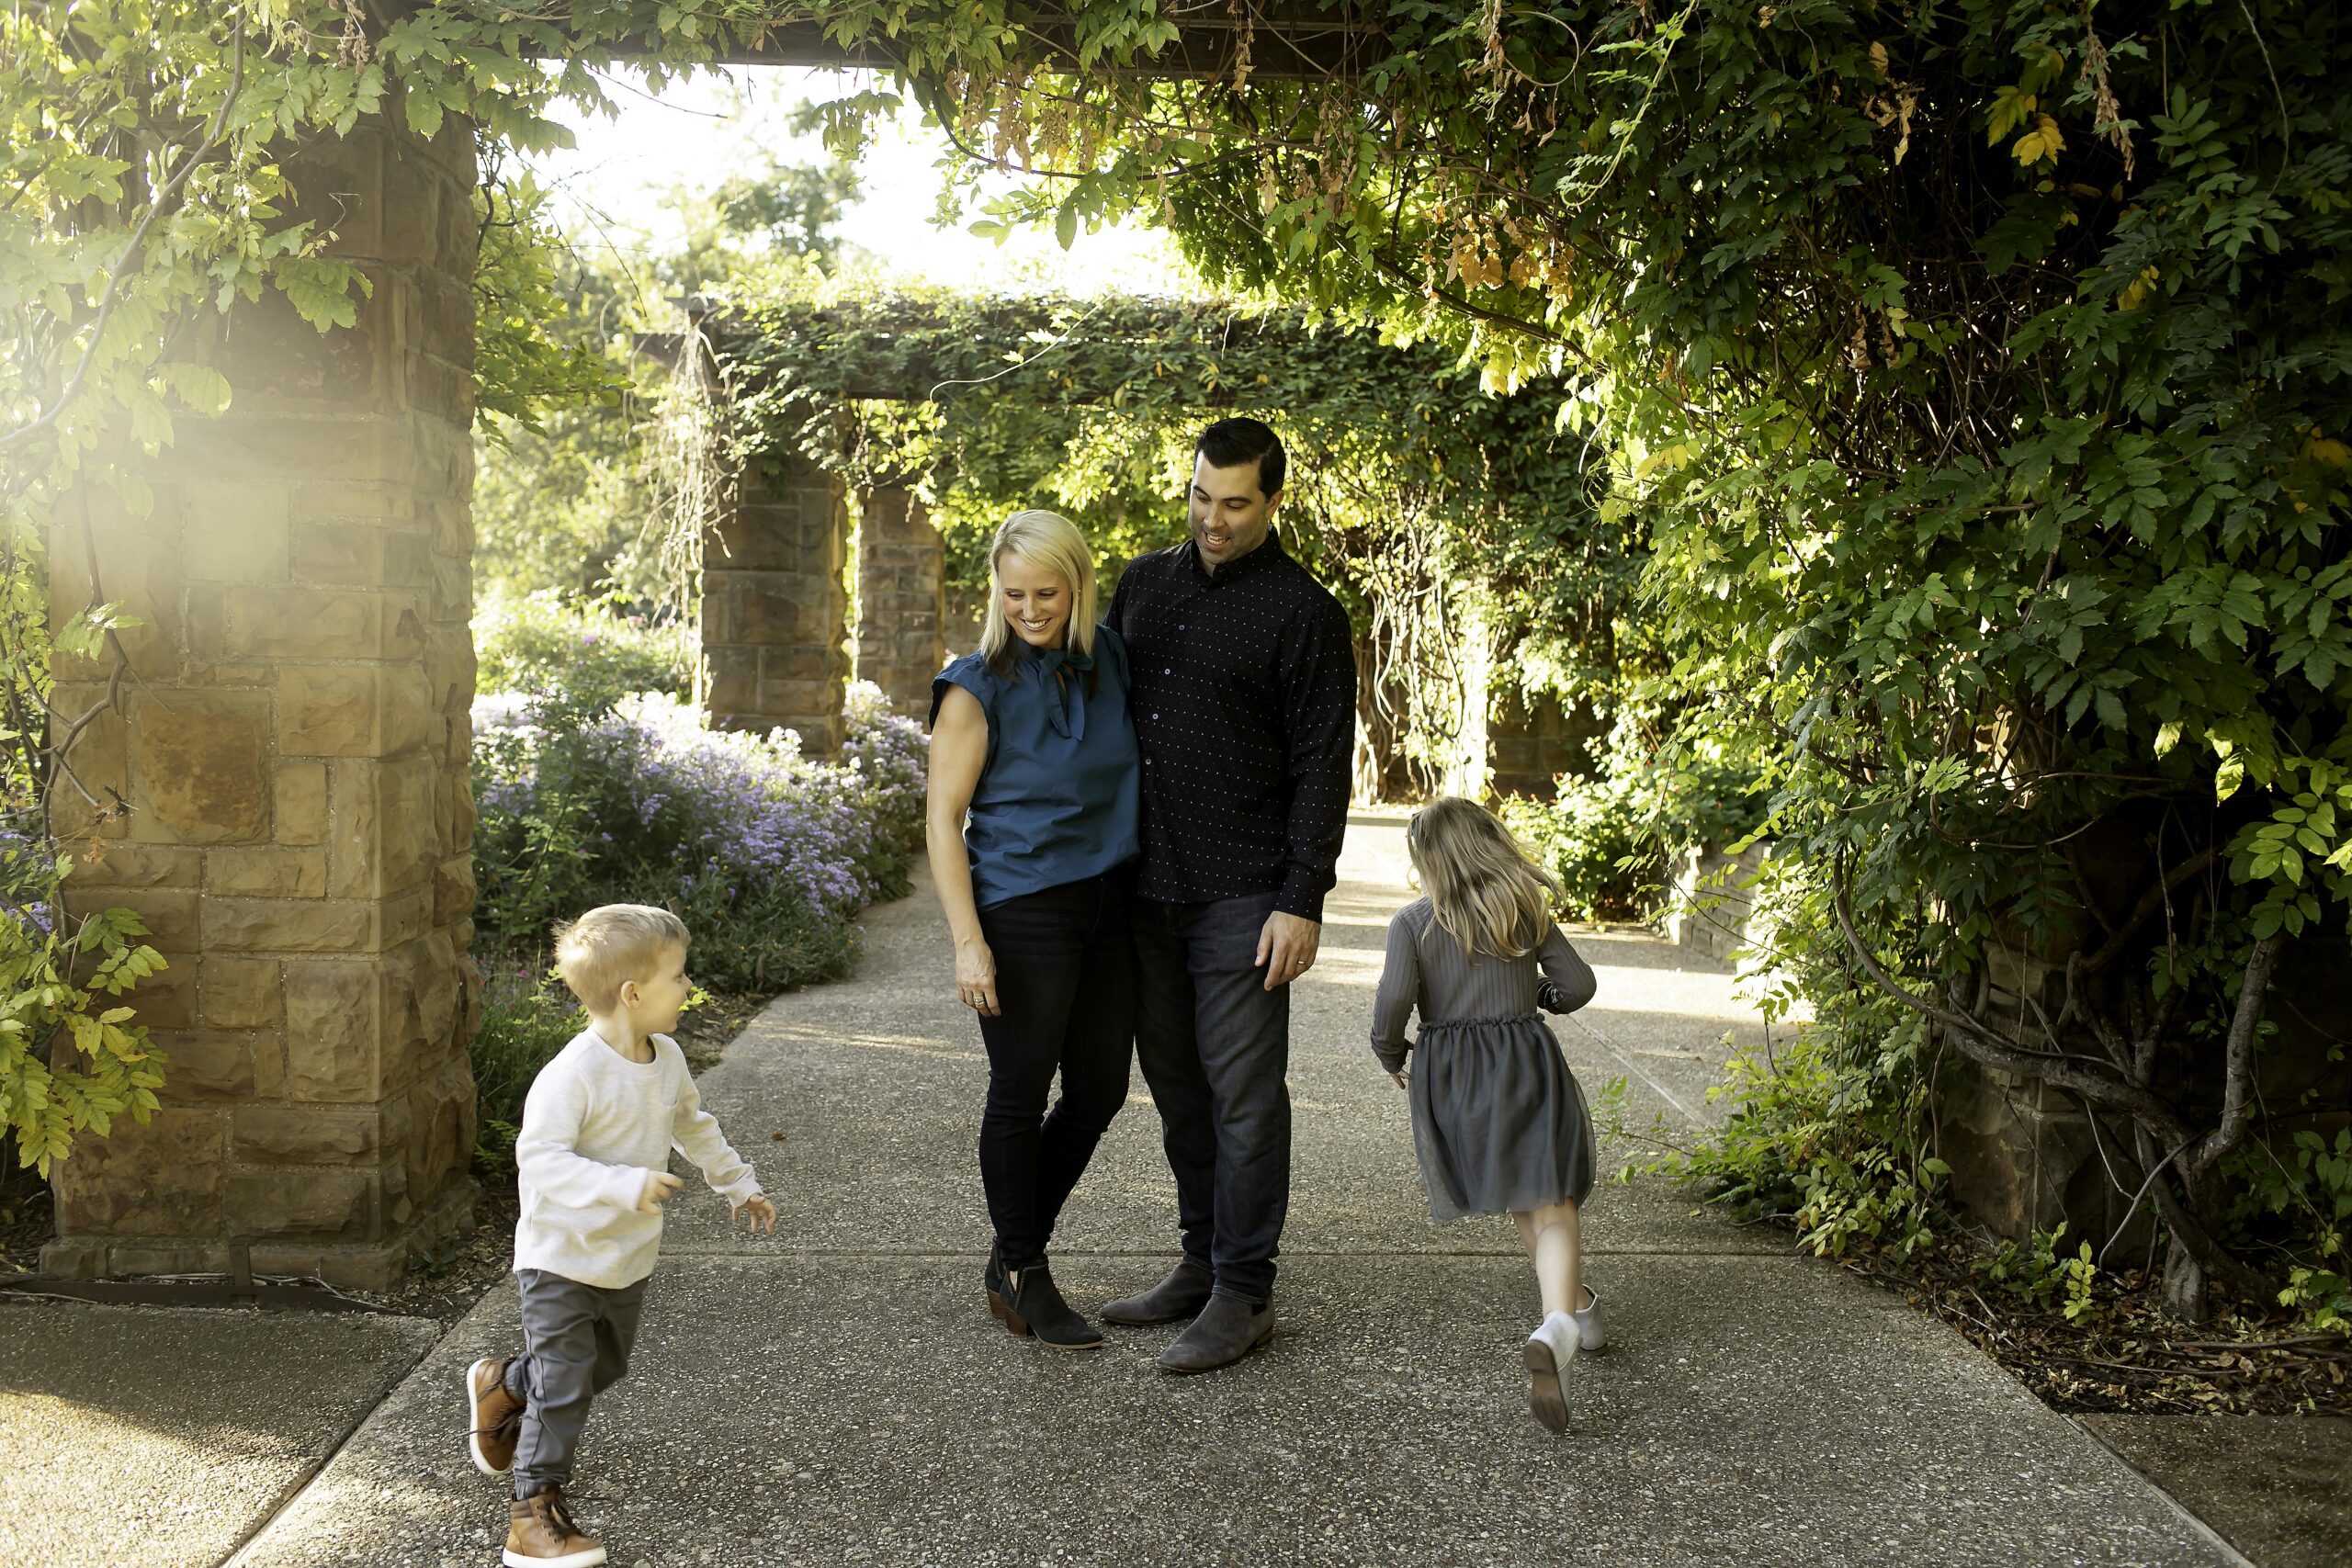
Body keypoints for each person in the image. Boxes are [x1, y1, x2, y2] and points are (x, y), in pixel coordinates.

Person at [1100, 418, 1355, 1373]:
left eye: (1235, 503)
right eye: (1202, 497)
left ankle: (1244, 1292)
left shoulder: (1304, 614)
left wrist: (1303, 897)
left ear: (1274, 500)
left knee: (1245, 1097)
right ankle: (1199, 1262)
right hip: (1144, 887)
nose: (1213, 519)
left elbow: (1322, 766)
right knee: (1175, 1091)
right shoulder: (1144, 584)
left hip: (1246, 895)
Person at [462, 905, 775, 1567]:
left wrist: (738, 1183)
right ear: (633, 993)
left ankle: (506, 1383)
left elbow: (693, 1125)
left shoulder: (666, 1058)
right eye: (677, 976)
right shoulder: (572, 1073)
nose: (688, 987)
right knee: (568, 1377)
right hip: (560, 1253)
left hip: (625, 1254)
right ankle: (531, 1514)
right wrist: (621, 1183)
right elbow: (539, 1157)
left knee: (603, 1365)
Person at [927, 510, 1141, 1350]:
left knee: (1098, 1091)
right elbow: (943, 821)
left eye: (1046, 592)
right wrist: (967, 940)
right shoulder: (974, 686)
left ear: (1079, 586)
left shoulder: (1110, 661)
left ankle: (1010, 1252)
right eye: (1013, 592)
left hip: (1109, 902)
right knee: (1020, 1090)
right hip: (1021, 906)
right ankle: (1024, 1266)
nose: (1029, 607)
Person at [1370, 797, 1604, 1435]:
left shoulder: (1413, 924)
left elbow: (1392, 1006)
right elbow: (1577, 984)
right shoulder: (1523, 908)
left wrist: (1394, 1055)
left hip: (1454, 1076)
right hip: (1524, 1064)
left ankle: (1574, 1310)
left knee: (1526, 1201)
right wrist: (1542, 996)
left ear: (1428, 861)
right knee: (1551, 1201)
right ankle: (1562, 1322)